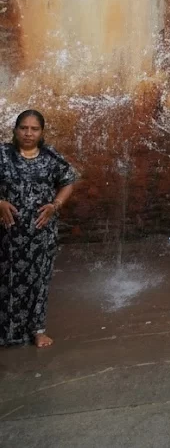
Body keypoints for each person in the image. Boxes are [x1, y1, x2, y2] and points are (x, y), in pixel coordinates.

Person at [0, 110, 78, 348]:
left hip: (41, 233)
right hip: (7, 233)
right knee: (5, 280)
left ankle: (37, 330)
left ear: (41, 132)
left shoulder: (51, 157)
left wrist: (55, 205)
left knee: (39, 280)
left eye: (34, 129)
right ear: (15, 130)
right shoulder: (3, 155)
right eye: (24, 128)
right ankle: (6, 331)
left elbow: (69, 181)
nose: (28, 133)